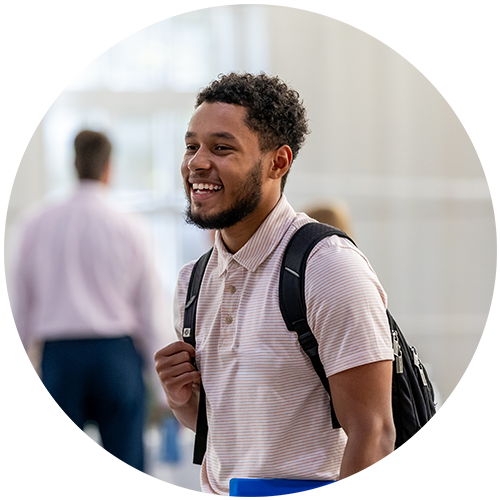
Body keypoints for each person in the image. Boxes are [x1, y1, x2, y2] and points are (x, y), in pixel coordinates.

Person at [155, 73, 395, 497]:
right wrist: (181, 400)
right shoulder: (191, 282)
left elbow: (374, 435)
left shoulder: (328, 269)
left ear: (277, 162)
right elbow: (229, 432)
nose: (196, 162)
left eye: (221, 147)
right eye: (192, 146)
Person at [10, 130, 173, 496]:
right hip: (116, 358)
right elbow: (150, 310)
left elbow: (18, 312)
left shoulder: (36, 222)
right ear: (109, 168)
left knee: (60, 478)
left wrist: (16, 386)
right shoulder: (130, 225)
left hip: (58, 360)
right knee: (127, 473)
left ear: (73, 163)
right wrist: (166, 392)